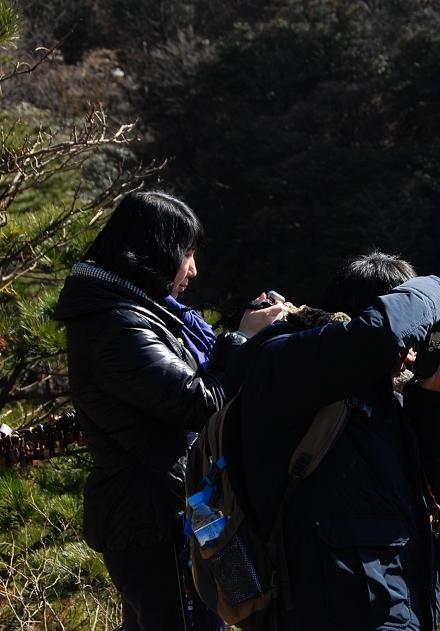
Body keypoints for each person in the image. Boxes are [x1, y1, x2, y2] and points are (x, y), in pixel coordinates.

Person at [53, 191, 286, 631]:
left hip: (165, 512)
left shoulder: (137, 310)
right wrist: (242, 339)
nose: (192, 269)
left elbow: (185, 380)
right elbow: (197, 402)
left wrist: (243, 332)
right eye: (187, 253)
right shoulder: (116, 325)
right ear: (154, 252)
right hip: (154, 520)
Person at [229, 251, 440, 630]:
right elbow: (378, 336)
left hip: (393, 605)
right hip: (332, 607)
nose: (413, 349)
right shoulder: (288, 360)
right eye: (416, 330)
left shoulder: (385, 391)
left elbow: (430, 497)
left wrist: (435, 402)